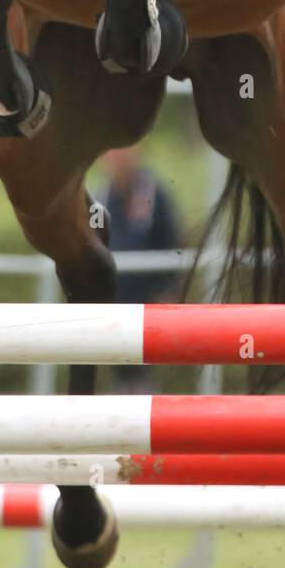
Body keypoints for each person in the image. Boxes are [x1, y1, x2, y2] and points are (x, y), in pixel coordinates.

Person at [99, 146, 181, 391]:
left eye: (122, 149)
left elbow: (171, 244)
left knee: (144, 378)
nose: (116, 156)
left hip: (149, 304)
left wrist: (168, 292)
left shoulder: (157, 195)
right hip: (114, 304)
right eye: (111, 151)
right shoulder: (99, 198)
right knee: (120, 376)